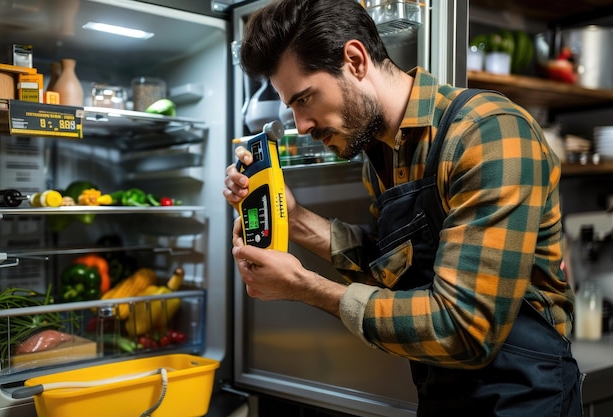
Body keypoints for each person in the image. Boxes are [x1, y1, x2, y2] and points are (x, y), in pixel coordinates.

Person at [223, 0, 583, 415]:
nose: (301, 124)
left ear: (355, 60)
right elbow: (388, 266)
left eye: (305, 99)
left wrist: (304, 287)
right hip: (441, 394)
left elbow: (464, 330)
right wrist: (292, 217)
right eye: (292, 107)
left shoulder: (488, 132)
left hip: (524, 397)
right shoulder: (383, 155)